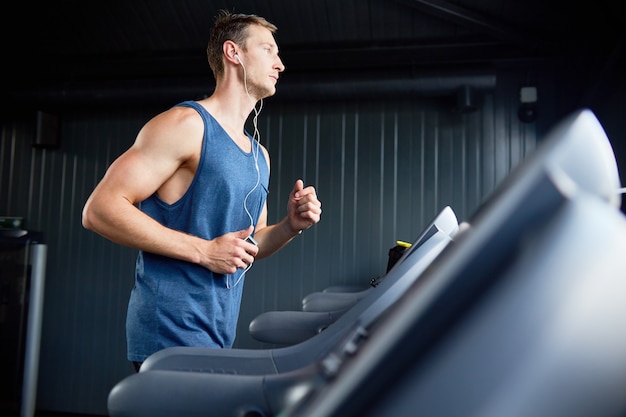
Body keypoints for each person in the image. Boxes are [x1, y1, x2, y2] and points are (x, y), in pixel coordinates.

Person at [81, 10, 322, 371]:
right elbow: (99, 209)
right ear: (233, 53)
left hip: (217, 333)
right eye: (269, 50)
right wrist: (205, 251)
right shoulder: (186, 125)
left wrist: (290, 226)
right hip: (169, 334)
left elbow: (250, 245)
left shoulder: (260, 156)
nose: (280, 64)